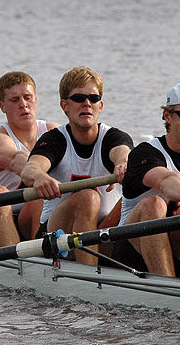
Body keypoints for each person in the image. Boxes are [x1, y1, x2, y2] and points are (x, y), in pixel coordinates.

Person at [21, 66, 133, 265]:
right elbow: (30, 168)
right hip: (57, 236)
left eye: (93, 98)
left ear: (101, 105)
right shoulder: (55, 140)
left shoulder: (114, 137)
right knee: (88, 196)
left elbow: (122, 152)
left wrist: (123, 163)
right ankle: (88, 273)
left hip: (103, 232)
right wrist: (39, 177)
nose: (87, 103)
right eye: (79, 98)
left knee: (143, 202)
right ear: (65, 105)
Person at [115, 82, 180, 278]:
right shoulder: (144, 153)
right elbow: (166, 180)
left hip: (177, 246)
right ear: (167, 116)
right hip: (130, 249)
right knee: (154, 204)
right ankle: (168, 286)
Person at [0, 71, 59, 246]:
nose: (23, 105)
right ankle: (20, 262)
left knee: (40, 197)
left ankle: (40, 257)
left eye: (27, 97)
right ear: (2, 106)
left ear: (36, 100)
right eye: (15, 100)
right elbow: (16, 160)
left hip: (28, 217)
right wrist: (38, 175)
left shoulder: (52, 132)